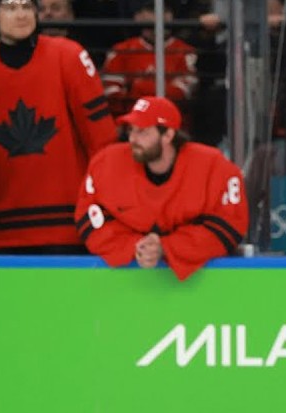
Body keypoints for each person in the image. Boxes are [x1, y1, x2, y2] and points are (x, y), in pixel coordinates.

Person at [76, 95, 246, 279]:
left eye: (143, 132)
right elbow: (89, 216)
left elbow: (230, 225)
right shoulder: (106, 163)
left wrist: (168, 247)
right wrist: (135, 246)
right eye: (131, 130)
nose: (132, 138)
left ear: (168, 135)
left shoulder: (213, 167)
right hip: (126, 283)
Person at [0, 0, 115, 253]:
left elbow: (101, 139)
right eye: (10, 8)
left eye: (27, 7)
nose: (21, 15)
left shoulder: (68, 55)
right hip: (3, 230)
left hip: (69, 226)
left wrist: (105, 204)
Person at [100, 1, 198, 119]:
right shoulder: (121, 50)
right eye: (152, 10)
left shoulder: (185, 51)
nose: (159, 14)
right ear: (138, 16)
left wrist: (136, 88)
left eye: (166, 10)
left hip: (174, 126)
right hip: (130, 124)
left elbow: (182, 94)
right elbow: (112, 94)